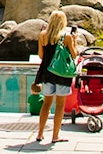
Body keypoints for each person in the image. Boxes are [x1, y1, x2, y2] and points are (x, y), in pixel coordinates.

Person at [33, 9, 77, 144]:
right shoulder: (66, 37)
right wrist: (74, 42)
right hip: (62, 75)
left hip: (47, 74)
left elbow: (41, 56)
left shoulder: (42, 36)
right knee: (60, 106)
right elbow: (74, 55)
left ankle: (40, 134)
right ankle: (55, 136)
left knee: (46, 104)